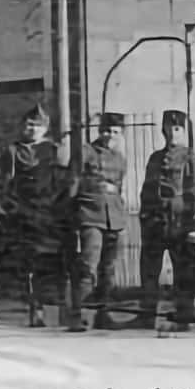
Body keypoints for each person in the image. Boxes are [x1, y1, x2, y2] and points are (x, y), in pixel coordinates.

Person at [137, 108, 195, 330]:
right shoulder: (155, 158)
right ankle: (146, 314)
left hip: (180, 219)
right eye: (169, 128)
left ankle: (184, 313)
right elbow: (147, 189)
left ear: (184, 132)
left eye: (177, 129)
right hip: (156, 219)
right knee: (149, 268)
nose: (172, 133)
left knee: (184, 269)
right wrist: (145, 216)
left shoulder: (191, 158)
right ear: (163, 130)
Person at [1, 105, 69, 327]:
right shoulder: (13, 151)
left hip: (50, 215)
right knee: (29, 265)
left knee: (53, 263)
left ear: (45, 128)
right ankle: (35, 309)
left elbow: (62, 181)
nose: (32, 129)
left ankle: (58, 309)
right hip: (25, 215)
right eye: (29, 124)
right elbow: (6, 185)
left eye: (37, 125)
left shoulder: (53, 150)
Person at [67, 112, 129, 331]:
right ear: (99, 131)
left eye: (114, 132)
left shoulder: (120, 158)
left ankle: (103, 314)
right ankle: (80, 316)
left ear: (121, 134)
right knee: (87, 266)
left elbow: (119, 187)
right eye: (105, 130)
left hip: (115, 218)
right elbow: (73, 182)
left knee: (108, 270)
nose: (109, 136)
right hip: (90, 215)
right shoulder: (86, 152)